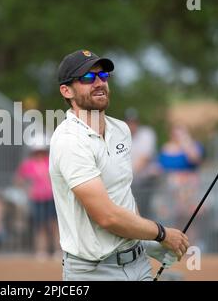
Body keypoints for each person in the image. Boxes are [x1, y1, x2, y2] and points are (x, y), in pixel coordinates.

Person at [49, 49, 189, 281]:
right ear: (66, 90)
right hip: (93, 273)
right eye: (87, 78)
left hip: (138, 263)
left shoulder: (121, 130)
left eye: (103, 76)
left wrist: (145, 241)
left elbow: (122, 194)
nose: (98, 82)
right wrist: (161, 234)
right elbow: (107, 216)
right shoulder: (69, 140)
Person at [155, 122, 204, 246]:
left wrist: (185, 143)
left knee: (190, 218)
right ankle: (176, 244)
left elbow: (195, 158)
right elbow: (160, 166)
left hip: (189, 188)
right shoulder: (166, 148)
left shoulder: (193, 146)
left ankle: (192, 244)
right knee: (173, 217)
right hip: (171, 188)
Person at [15, 133, 60, 260]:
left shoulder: (51, 161)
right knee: (40, 226)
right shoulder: (28, 164)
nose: (39, 153)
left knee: (54, 225)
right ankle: (42, 251)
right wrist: (27, 187)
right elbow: (18, 179)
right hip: (37, 198)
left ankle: (57, 250)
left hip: (51, 197)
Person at [124, 108, 159, 218]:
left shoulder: (146, 134)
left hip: (146, 183)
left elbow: (144, 159)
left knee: (147, 215)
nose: (131, 125)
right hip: (130, 184)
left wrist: (125, 177)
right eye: (129, 122)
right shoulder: (122, 136)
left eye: (134, 122)